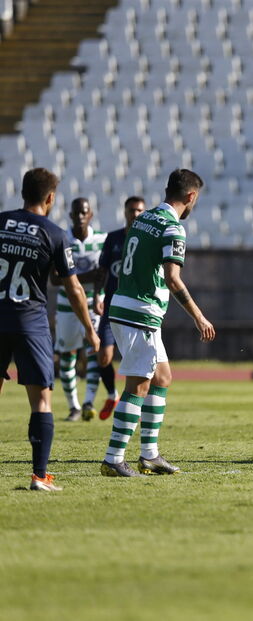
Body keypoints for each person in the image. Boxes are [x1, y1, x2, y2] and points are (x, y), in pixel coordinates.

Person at [100, 169, 216, 477]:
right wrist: (199, 316)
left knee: (162, 377)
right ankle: (113, 458)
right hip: (140, 312)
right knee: (139, 383)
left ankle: (149, 454)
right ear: (191, 197)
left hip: (124, 305)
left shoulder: (143, 218)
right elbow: (173, 279)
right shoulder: (172, 227)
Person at [0, 168, 100, 491]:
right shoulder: (54, 234)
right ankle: (39, 476)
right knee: (41, 400)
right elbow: (73, 289)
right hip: (30, 323)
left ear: (21, 192)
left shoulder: (0, 223)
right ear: (50, 198)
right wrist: (90, 330)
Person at [51, 198, 108, 421]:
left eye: (84, 212)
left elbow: (105, 273)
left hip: (95, 305)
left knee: (94, 352)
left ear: (91, 214)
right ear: (71, 215)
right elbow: (55, 280)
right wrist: (86, 276)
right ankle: (73, 406)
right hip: (67, 306)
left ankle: (88, 402)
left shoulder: (102, 240)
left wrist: (99, 290)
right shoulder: (62, 239)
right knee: (67, 355)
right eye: (77, 213)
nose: (81, 216)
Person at [91, 196, 147, 421]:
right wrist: (97, 294)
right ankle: (113, 393)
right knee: (104, 357)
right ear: (125, 212)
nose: (136, 214)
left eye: (140, 211)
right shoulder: (113, 238)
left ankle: (135, 401)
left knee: (136, 360)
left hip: (135, 308)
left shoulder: (146, 239)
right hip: (112, 307)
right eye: (132, 210)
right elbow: (102, 271)